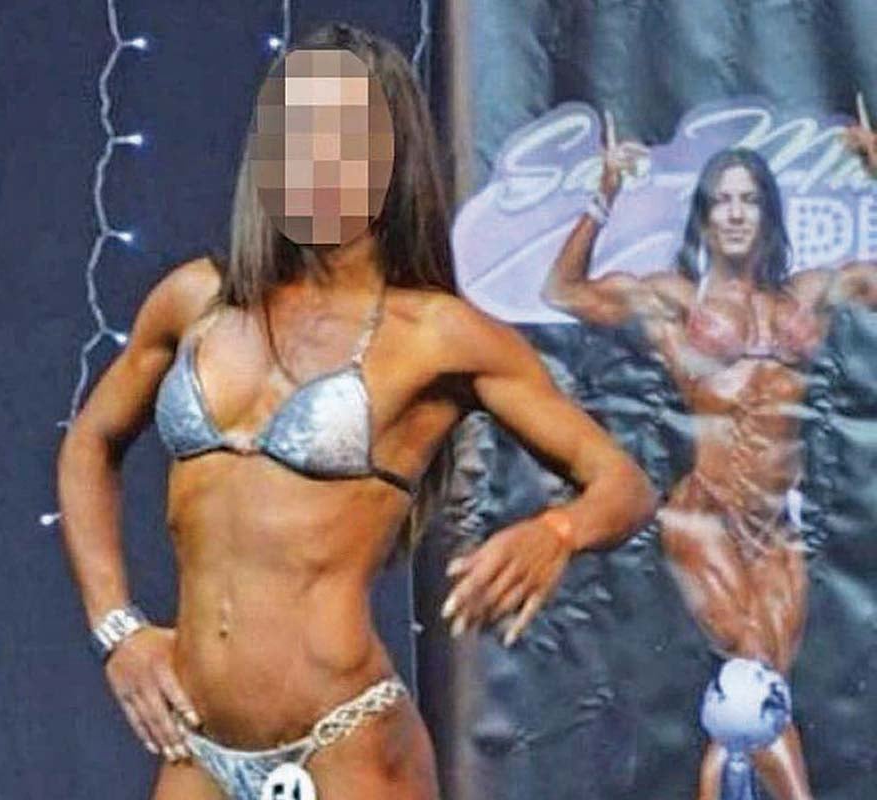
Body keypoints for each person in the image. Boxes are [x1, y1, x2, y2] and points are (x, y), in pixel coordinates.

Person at [58, 23, 654, 800]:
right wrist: (117, 629)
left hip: (344, 743)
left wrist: (556, 532)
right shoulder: (195, 300)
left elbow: (622, 484)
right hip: (196, 744)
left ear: (391, 159)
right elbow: (90, 443)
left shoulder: (437, 335)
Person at [543, 127, 877, 800]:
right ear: (704, 216)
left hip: (776, 526)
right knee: (752, 676)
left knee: (754, 697)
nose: (734, 213)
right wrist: (604, 194)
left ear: (768, 213)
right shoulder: (677, 299)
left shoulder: (807, 295)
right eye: (722, 200)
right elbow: (564, 292)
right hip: (705, 517)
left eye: (748, 200)